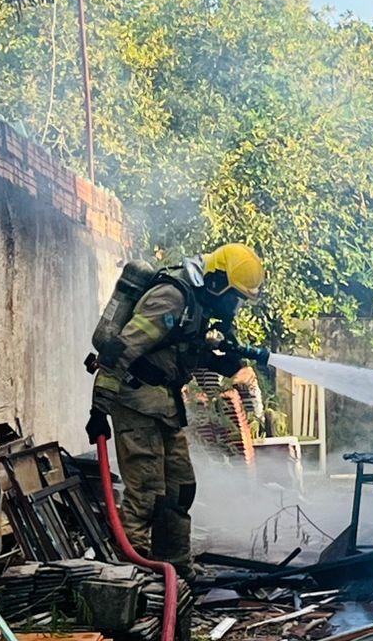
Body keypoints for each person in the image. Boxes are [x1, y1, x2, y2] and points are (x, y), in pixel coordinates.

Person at [85, 243, 266, 579]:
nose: (235, 305)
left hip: (165, 405)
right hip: (136, 402)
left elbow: (176, 352)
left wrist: (219, 361)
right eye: (234, 296)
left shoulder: (196, 306)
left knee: (181, 488)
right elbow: (118, 352)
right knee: (147, 495)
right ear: (215, 282)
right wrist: (99, 409)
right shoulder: (171, 298)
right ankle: (134, 576)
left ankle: (175, 570)